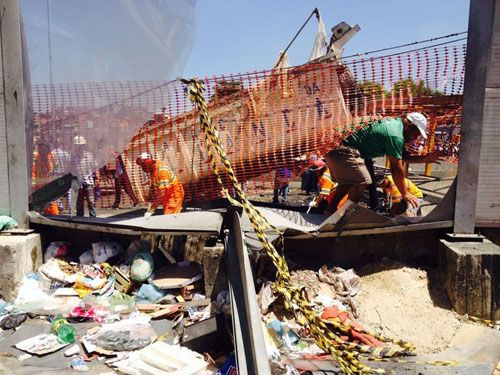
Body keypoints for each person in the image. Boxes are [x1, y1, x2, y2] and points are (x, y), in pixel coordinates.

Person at [324, 112, 443, 215]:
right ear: (410, 126)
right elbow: (396, 167)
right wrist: (405, 193)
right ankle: (345, 214)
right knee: (361, 181)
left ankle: (331, 211)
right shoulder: (395, 135)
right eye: (416, 134)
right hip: (342, 148)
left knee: (349, 182)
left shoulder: (395, 125)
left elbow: (402, 156)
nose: (414, 139)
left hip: (333, 146)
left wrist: (425, 159)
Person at [135, 152, 184, 217]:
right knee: (169, 216)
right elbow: (155, 184)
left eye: (143, 166)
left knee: (169, 218)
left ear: (148, 163)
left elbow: (162, 193)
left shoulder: (162, 171)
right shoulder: (153, 169)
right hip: (167, 195)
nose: (143, 168)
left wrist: (151, 210)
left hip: (174, 195)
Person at [72, 135, 97, 217]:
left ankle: (93, 219)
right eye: (77, 146)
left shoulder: (89, 156)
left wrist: (97, 178)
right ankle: (80, 219)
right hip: (78, 183)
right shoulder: (73, 157)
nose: (79, 147)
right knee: (79, 203)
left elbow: (95, 167)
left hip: (88, 182)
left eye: (81, 146)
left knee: (91, 202)